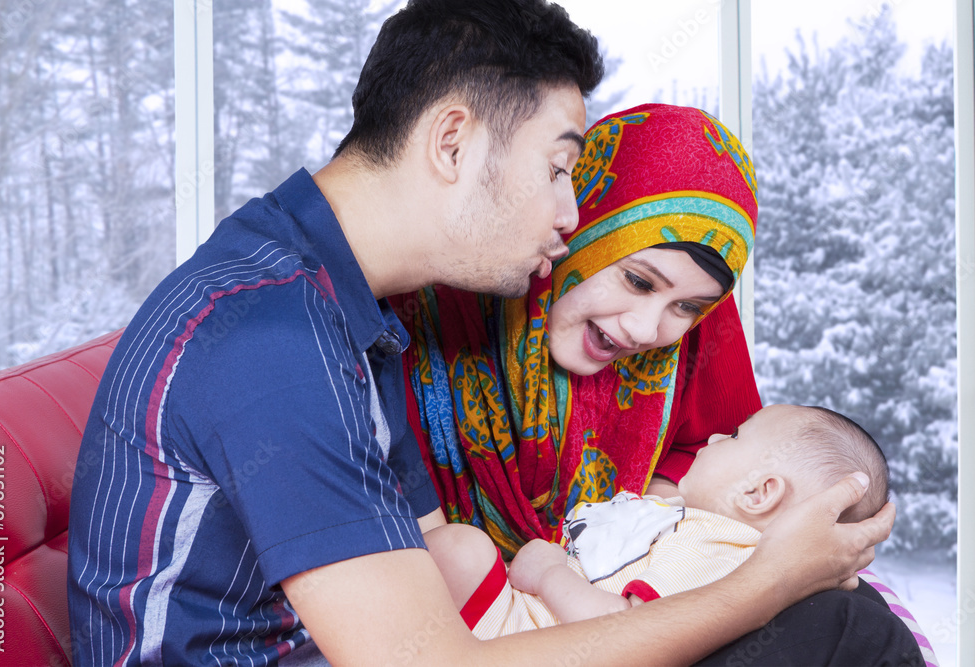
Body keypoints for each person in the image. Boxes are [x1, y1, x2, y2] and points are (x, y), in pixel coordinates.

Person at [67, 2, 892, 666]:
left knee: (826, 619)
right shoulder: (274, 336)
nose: (573, 216)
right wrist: (768, 579)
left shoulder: (347, 303)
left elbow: (436, 559)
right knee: (839, 626)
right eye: (560, 169)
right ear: (454, 141)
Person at [396, 102, 921, 664]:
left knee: (854, 613)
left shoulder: (692, 343)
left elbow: (752, 473)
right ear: (579, 226)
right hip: (482, 619)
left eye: (689, 306)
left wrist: (666, 517)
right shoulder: (430, 321)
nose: (647, 330)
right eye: (637, 279)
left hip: (653, 601)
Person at [426, 404, 892, 638]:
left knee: (458, 549)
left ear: (758, 492)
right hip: (532, 617)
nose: (711, 436)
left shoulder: (712, 546)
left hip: (533, 636)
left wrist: (547, 575)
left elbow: (623, 632)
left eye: (732, 436)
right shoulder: (691, 520)